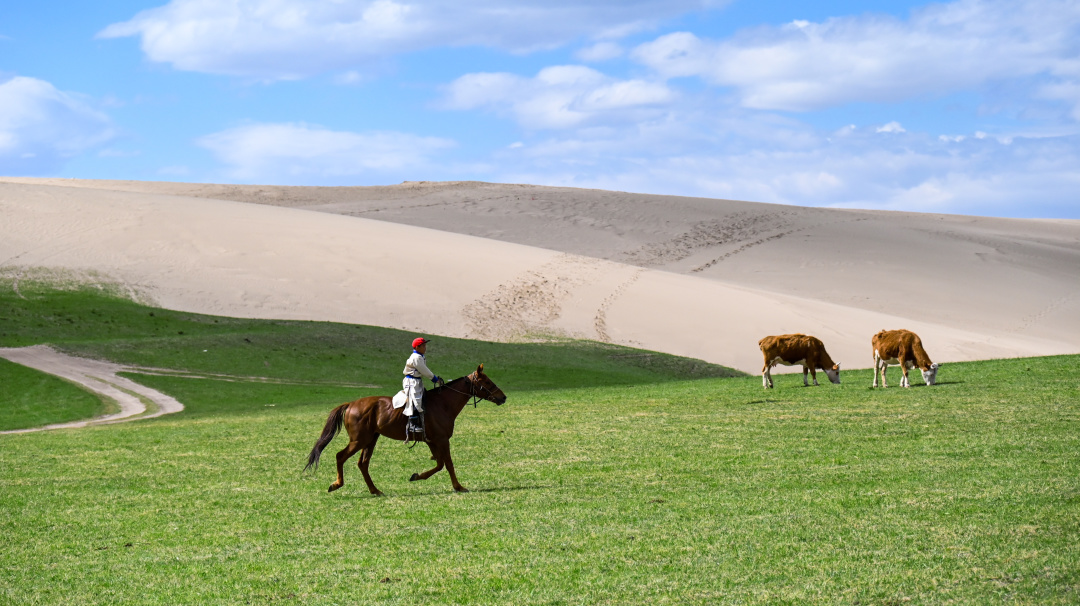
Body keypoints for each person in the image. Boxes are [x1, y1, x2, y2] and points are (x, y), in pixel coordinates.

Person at [403, 337, 444, 441]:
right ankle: (413, 424)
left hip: (416, 381)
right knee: (415, 399)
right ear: (417, 347)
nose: (425, 348)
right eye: (423, 346)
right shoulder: (416, 357)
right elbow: (424, 370)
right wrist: (435, 379)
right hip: (411, 382)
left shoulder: (420, 356)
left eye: (425, 345)